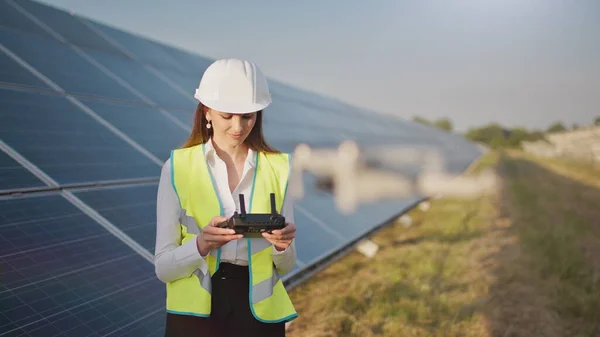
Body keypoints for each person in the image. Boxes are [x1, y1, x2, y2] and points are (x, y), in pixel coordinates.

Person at [154, 58, 298, 337]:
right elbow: (163, 268)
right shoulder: (177, 168)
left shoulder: (279, 168)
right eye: (227, 115)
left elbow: (286, 264)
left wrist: (282, 247)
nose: (238, 126)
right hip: (195, 316)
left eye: (248, 116)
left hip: (258, 316)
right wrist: (201, 244)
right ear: (206, 112)